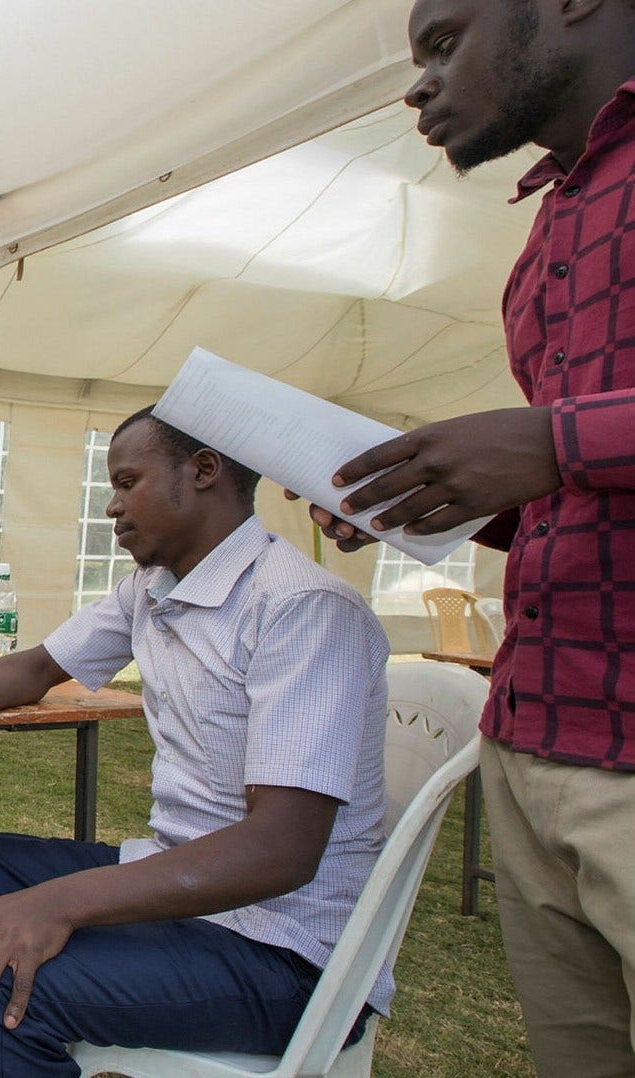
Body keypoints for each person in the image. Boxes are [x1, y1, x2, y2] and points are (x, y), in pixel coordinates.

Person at [291, 1, 635, 1070]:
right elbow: (577, 496)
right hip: (538, 739)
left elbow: (569, 453)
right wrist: (445, 496)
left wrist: (556, 441)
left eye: (445, 41)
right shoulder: (546, 238)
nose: (419, 87)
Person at [0, 407, 389, 1077]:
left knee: (2, 977)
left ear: (204, 471)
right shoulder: (152, 588)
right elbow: (36, 666)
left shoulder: (301, 609)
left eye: (128, 482)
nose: (111, 507)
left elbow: (282, 852)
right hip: (176, 877)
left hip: (284, 945)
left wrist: (58, 903)